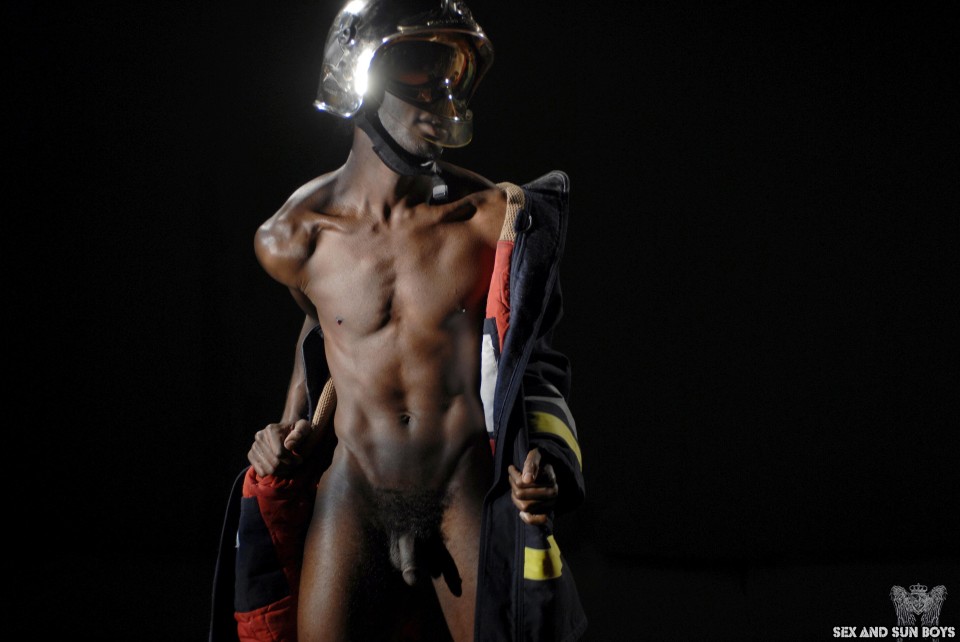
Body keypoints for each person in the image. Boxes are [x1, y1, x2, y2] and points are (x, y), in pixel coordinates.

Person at [210, 1, 587, 640]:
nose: (439, 91)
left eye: (449, 69)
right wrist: (289, 424)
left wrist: (547, 456)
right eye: (416, 64)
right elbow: (322, 328)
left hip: (459, 489)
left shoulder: (491, 221)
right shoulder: (293, 238)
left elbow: (536, 359)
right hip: (355, 493)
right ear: (356, 76)